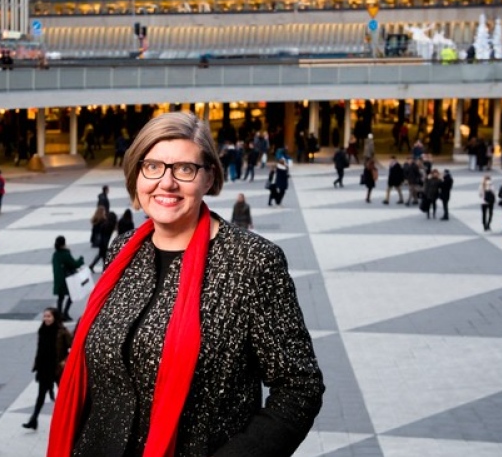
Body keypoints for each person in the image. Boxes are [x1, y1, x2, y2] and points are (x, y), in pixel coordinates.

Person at [48, 112, 324, 456]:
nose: (166, 182)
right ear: (137, 175)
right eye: (153, 166)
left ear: (209, 177)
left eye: (184, 169)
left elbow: (300, 386)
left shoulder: (252, 262)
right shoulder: (122, 251)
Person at [22, 307, 73, 431]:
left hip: (57, 369)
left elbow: (73, 348)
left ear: (55, 317)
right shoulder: (42, 330)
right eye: (45, 316)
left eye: (49, 316)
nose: (46, 319)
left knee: (64, 395)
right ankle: (33, 419)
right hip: (44, 367)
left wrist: (64, 361)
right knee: (40, 396)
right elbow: (40, 349)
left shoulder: (62, 331)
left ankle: (70, 421)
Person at [52, 236, 84, 322]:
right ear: (64, 243)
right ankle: (65, 313)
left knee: (60, 297)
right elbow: (74, 264)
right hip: (67, 279)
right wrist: (81, 259)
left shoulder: (55, 254)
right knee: (72, 295)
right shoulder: (65, 254)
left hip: (58, 279)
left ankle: (59, 314)